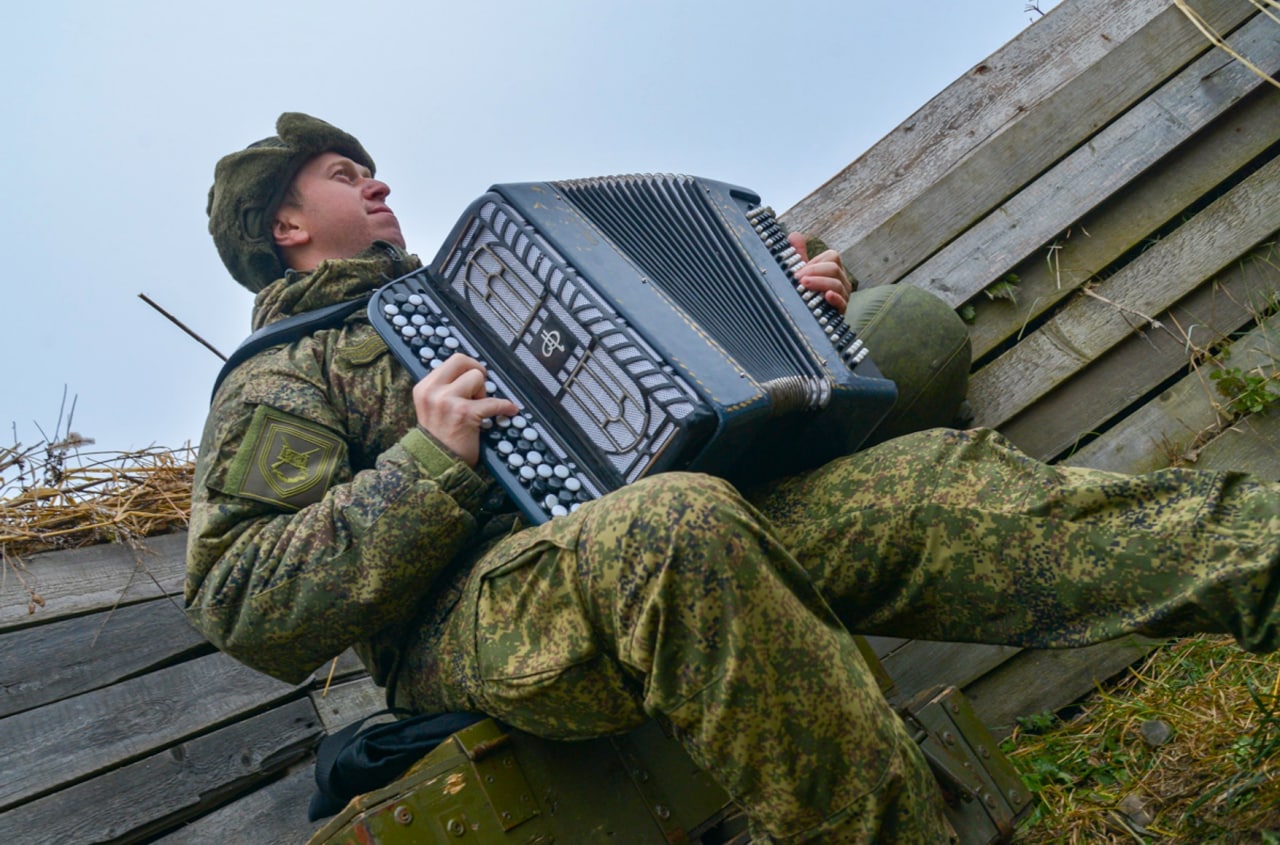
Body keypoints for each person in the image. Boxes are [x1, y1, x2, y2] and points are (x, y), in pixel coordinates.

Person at [188, 112, 1280, 844]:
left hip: (662, 534)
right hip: (479, 623)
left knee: (920, 482)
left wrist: (807, 332)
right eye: (341, 175)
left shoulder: (493, 284)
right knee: (676, 522)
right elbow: (246, 603)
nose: (374, 180)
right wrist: (426, 464)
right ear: (285, 225)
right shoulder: (285, 374)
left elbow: (685, 406)